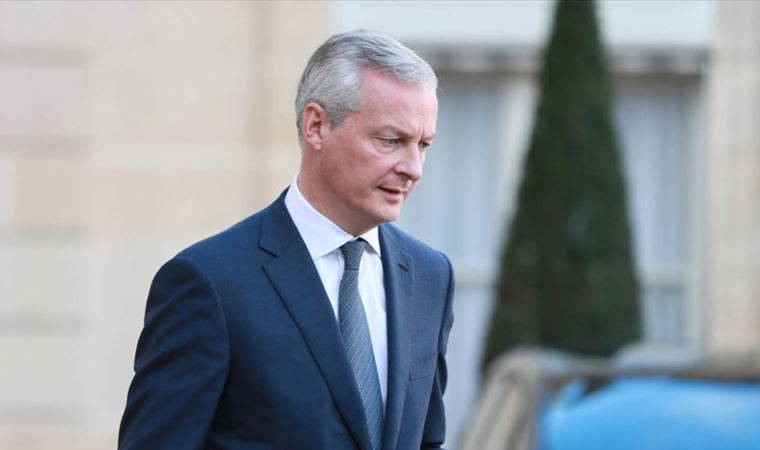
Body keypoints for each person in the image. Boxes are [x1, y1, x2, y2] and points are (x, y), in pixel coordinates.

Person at [119, 30, 455, 450]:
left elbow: (426, 440)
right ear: (316, 126)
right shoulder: (210, 283)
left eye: (423, 145)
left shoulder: (430, 276)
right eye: (391, 141)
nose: (413, 168)